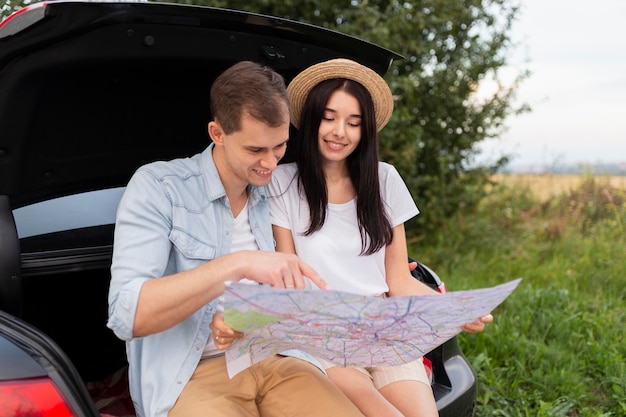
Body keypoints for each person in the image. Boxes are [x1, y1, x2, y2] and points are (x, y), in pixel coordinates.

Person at [106, 61, 367, 417]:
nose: (270, 164)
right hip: (194, 375)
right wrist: (238, 264)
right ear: (217, 133)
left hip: (280, 358)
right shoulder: (158, 187)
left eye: (280, 147)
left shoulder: (276, 187)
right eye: (255, 150)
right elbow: (128, 315)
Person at [266, 58, 493, 417]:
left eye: (353, 122)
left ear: (365, 130)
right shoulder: (282, 183)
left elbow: (399, 281)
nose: (340, 131)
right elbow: (288, 285)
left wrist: (454, 309)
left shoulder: (384, 179)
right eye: (329, 117)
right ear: (311, 120)